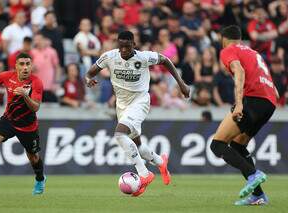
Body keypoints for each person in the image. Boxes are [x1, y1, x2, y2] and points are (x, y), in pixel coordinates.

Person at [85, 31, 189, 196]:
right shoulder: (109, 56)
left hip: (140, 102)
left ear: (134, 44)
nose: (124, 50)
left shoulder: (144, 57)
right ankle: (160, 162)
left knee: (119, 134)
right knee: (138, 145)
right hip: (122, 106)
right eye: (121, 47)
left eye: (127, 46)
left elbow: (166, 60)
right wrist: (88, 79)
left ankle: (144, 174)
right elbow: (90, 72)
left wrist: (182, 84)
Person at [210, 25, 277, 206]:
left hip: (252, 101)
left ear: (223, 38)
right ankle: (258, 195)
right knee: (238, 146)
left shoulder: (227, 50)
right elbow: (276, 92)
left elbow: (239, 71)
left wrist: (239, 103)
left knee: (217, 145)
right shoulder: (254, 53)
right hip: (269, 103)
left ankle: (254, 174)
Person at [0, 52, 46, 195]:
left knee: (33, 157)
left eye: (28, 64)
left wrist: (25, 95)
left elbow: (36, 107)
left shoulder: (36, 82)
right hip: (8, 120)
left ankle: (40, 179)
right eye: (22, 64)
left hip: (28, 126)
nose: (25, 67)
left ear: (31, 65)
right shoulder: (6, 76)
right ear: (16, 66)